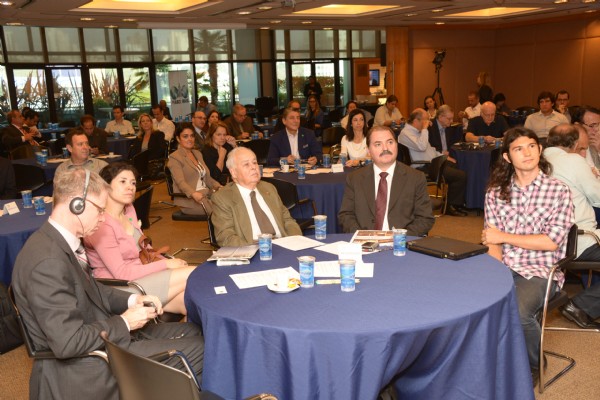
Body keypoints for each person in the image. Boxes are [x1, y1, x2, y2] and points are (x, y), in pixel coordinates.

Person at [11, 168, 204, 400]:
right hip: (89, 363)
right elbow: (68, 342)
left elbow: (94, 290)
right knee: (208, 348)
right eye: (100, 210)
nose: (103, 218)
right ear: (77, 205)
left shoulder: (58, 242)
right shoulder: (47, 261)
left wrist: (133, 299)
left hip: (104, 335)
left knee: (202, 331)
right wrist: (125, 321)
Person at [482, 127, 574, 377]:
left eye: (532, 146)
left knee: (518, 311)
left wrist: (503, 236)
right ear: (507, 157)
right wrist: (496, 274)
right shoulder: (495, 193)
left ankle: (533, 365)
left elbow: (551, 242)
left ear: (540, 149)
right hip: (503, 266)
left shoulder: (558, 191)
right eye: (518, 149)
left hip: (541, 270)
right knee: (472, 301)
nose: (527, 153)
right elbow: (492, 241)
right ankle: (493, 358)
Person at [84, 162, 193, 315]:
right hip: (120, 288)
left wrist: (166, 262)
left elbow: (145, 250)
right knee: (194, 274)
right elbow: (122, 274)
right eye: (123, 182)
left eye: (133, 183)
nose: (130, 187)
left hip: (142, 274)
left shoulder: (128, 209)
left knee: (191, 303)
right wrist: (166, 264)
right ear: (106, 186)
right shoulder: (101, 224)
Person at [542, 124, 600, 329]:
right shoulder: (573, 161)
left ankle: (583, 304)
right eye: (582, 148)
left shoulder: (538, 160)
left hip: (545, 242)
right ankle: (580, 306)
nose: (583, 153)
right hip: (578, 241)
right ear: (574, 144)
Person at [338, 125, 434, 236]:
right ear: (368, 150)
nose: (385, 148)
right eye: (378, 144)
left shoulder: (415, 178)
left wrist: (399, 238)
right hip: (364, 241)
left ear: (396, 145)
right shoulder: (355, 179)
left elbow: (425, 218)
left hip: (400, 242)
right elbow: (346, 215)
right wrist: (362, 237)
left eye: (390, 142)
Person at [211, 147, 302, 247]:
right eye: (246, 164)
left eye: (254, 162)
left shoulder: (269, 188)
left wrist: (295, 241)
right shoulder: (223, 198)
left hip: (283, 245)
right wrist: (256, 251)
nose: (253, 167)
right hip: (251, 248)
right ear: (233, 172)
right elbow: (226, 237)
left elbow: (288, 220)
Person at [399, 108, 468, 217]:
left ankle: (455, 203)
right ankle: (451, 206)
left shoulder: (418, 132)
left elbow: (430, 150)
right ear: (416, 121)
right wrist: (425, 129)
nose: (429, 123)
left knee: (457, 166)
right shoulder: (406, 134)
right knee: (460, 175)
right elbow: (421, 147)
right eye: (426, 120)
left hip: (433, 163)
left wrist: (444, 157)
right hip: (423, 166)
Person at [168, 123, 222, 216]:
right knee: (221, 211)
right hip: (190, 200)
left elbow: (207, 178)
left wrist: (219, 186)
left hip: (206, 194)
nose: (190, 139)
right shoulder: (175, 157)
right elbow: (180, 182)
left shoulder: (197, 153)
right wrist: (193, 193)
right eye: (185, 136)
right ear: (178, 138)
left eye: (192, 136)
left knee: (229, 201)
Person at [202, 121, 237, 185]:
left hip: (232, 181)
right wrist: (221, 157)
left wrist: (234, 146)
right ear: (211, 135)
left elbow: (241, 164)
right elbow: (215, 176)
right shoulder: (206, 151)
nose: (222, 138)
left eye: (224, 135)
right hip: (218, 185)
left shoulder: (227, 146)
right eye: (219, 134)